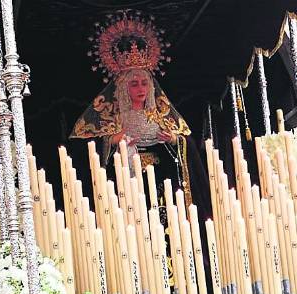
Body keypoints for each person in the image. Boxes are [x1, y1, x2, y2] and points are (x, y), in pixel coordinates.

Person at [70, 12, 208, 216]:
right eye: (134, 84)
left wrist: (172, 139)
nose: (140, 89)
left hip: (161, 179)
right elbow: (82, 147)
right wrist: (112, 140)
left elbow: (187, 142)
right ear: (124, 88)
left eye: (144, 83)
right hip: (124, 178)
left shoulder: (161, 114)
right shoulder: (111, 116)